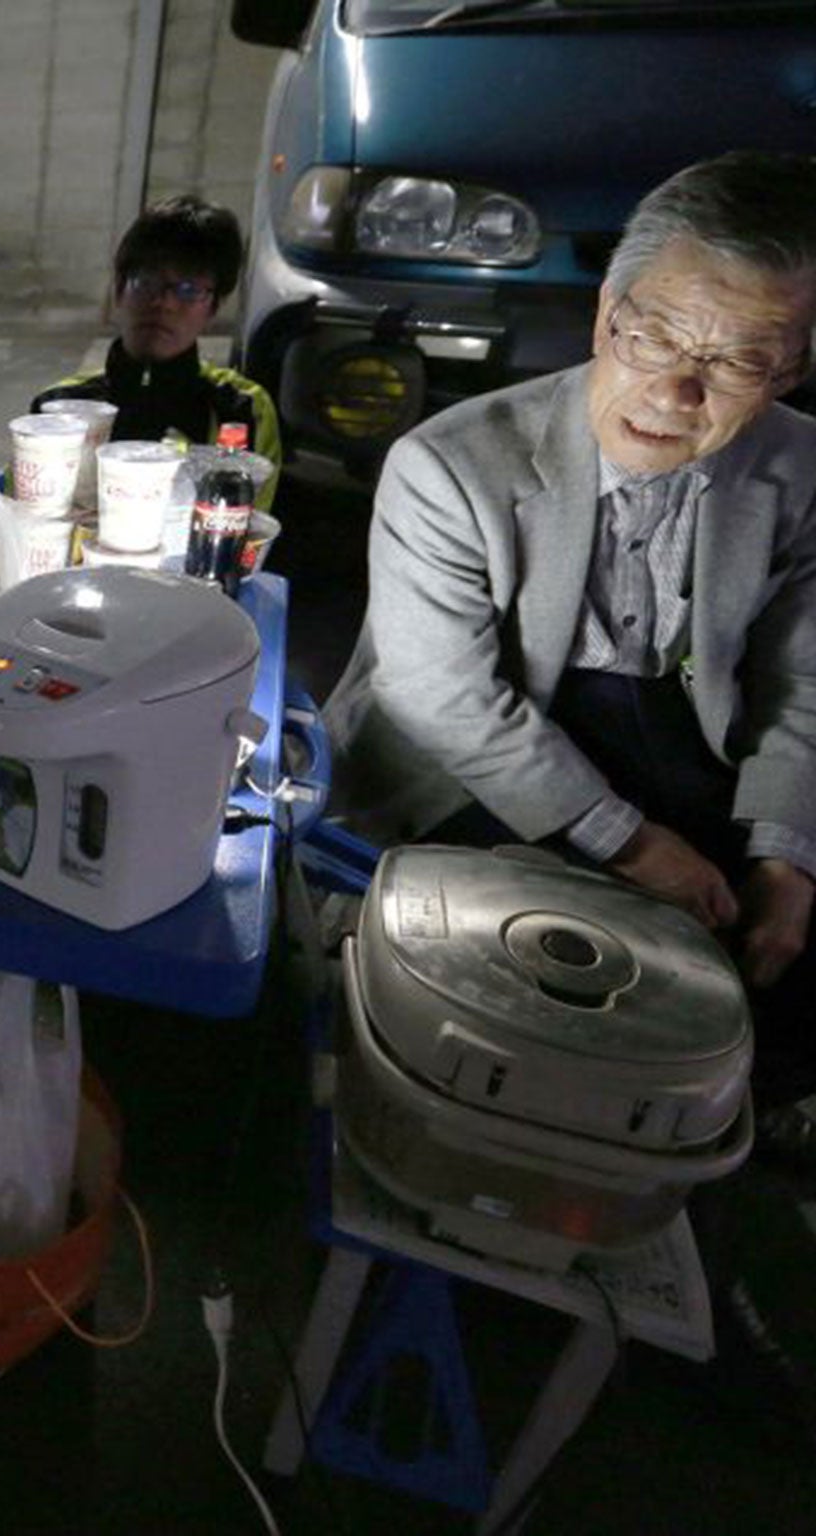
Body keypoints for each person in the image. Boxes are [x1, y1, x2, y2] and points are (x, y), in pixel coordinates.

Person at [324, 151, 816, 1107]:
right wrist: (630, 845)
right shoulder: (451, 466)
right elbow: (445, 700)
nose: (678, 392)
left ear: (791, 371)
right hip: (475, 764)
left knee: (773, 970)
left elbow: (804, 682)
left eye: (737, 361)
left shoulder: (802, 476)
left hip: (689, 741)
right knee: (528, 987)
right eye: (657, 337)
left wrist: (787, 855)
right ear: (605, 316)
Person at [33, 194, 281, 509]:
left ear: (214, 307)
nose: (164, 303)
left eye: (188, 290)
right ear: (120, 289)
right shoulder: (59, 406)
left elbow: (250, 529)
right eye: (147, 282)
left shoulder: (244, 409)